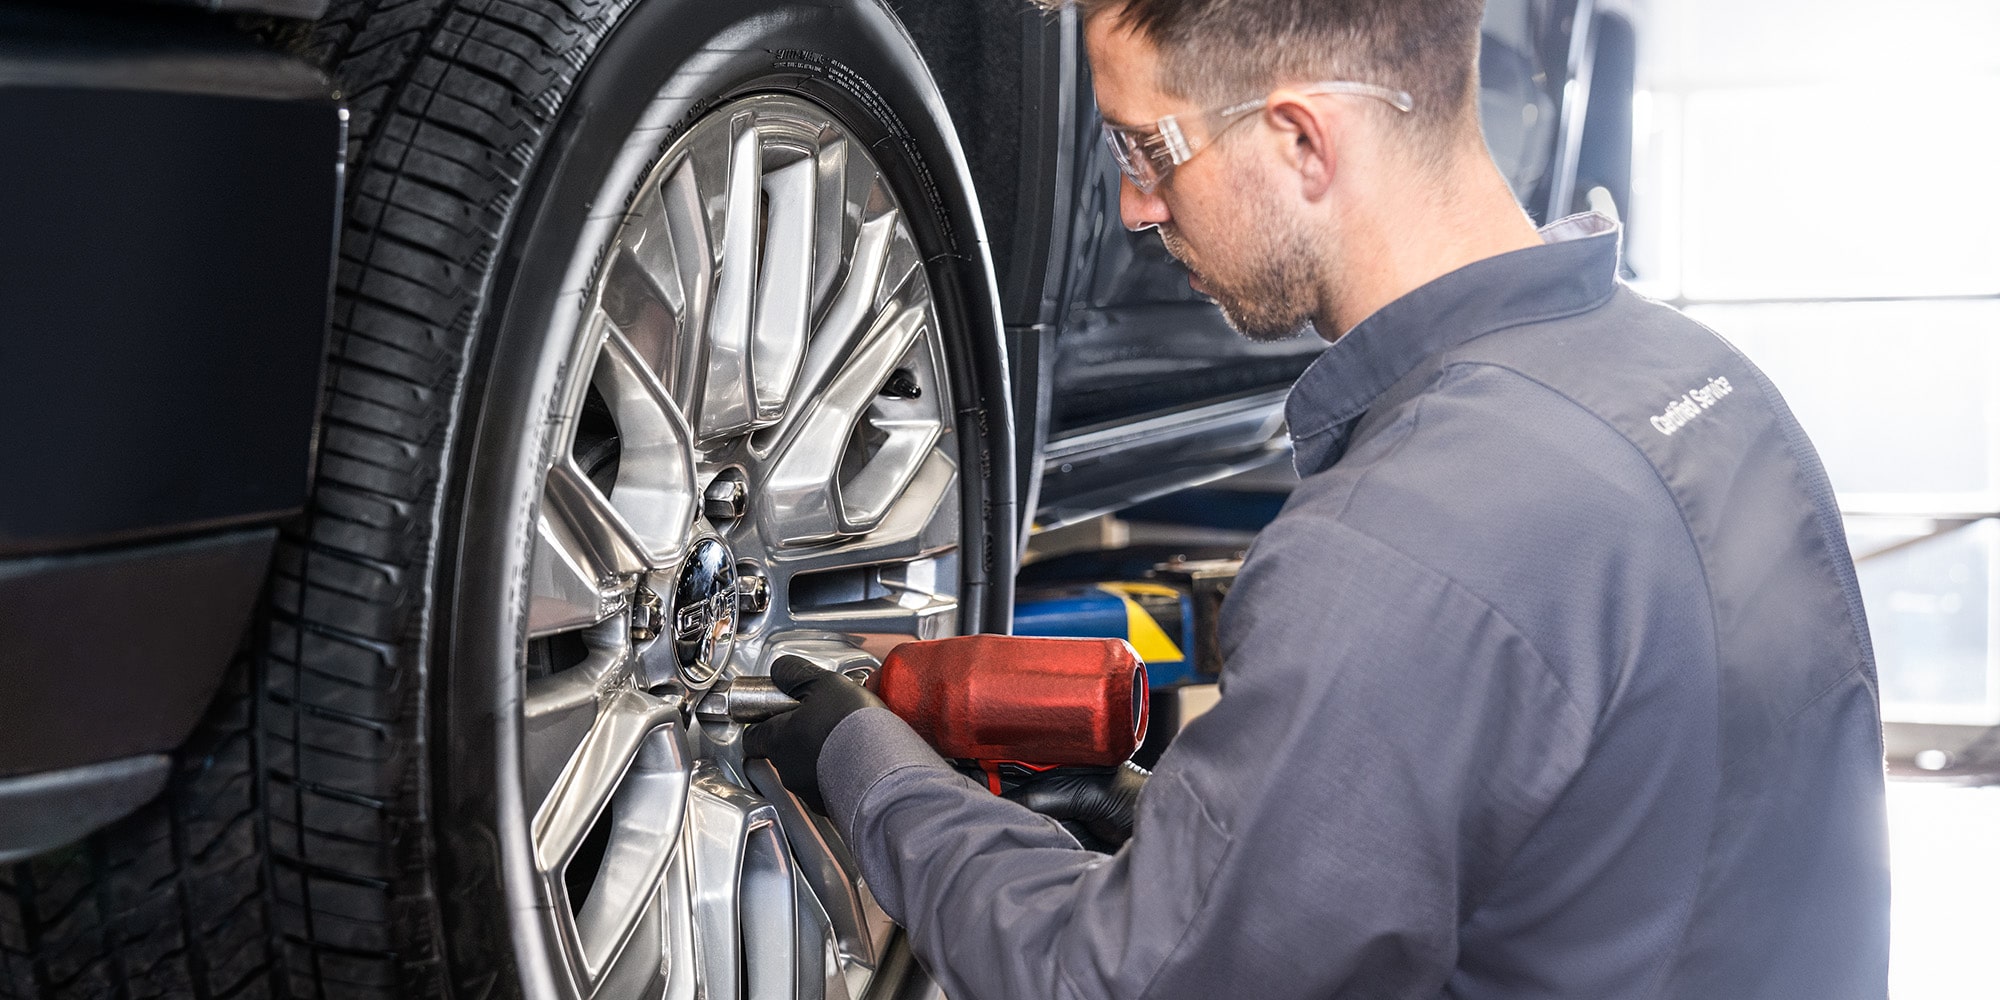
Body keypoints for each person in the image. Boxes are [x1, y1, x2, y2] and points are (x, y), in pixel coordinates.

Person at [747, 0, 1892, 996]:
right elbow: (1565, 844)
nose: (1136, 206)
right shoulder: (1701, 379)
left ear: (1299, 138)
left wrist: (868, 769)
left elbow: (1114, 984)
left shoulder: (1392, 544)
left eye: (1147, 146)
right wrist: (1160, 827)